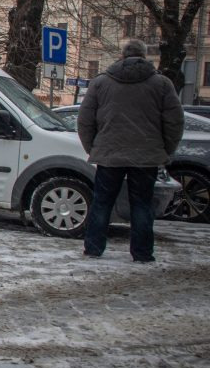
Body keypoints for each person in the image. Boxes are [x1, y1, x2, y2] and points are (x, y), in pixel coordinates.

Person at [77, 39, 184, 262]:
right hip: (146, 156)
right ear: (145, 56)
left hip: (109, 154)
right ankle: (142, 253)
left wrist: (94, 148)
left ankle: (94, 248)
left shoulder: (101, 83)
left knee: (102, 203)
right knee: (142, 204)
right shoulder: (162, 84)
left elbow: (85, 120)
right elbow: (174, 121)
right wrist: (165, 150)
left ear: (122, 56)